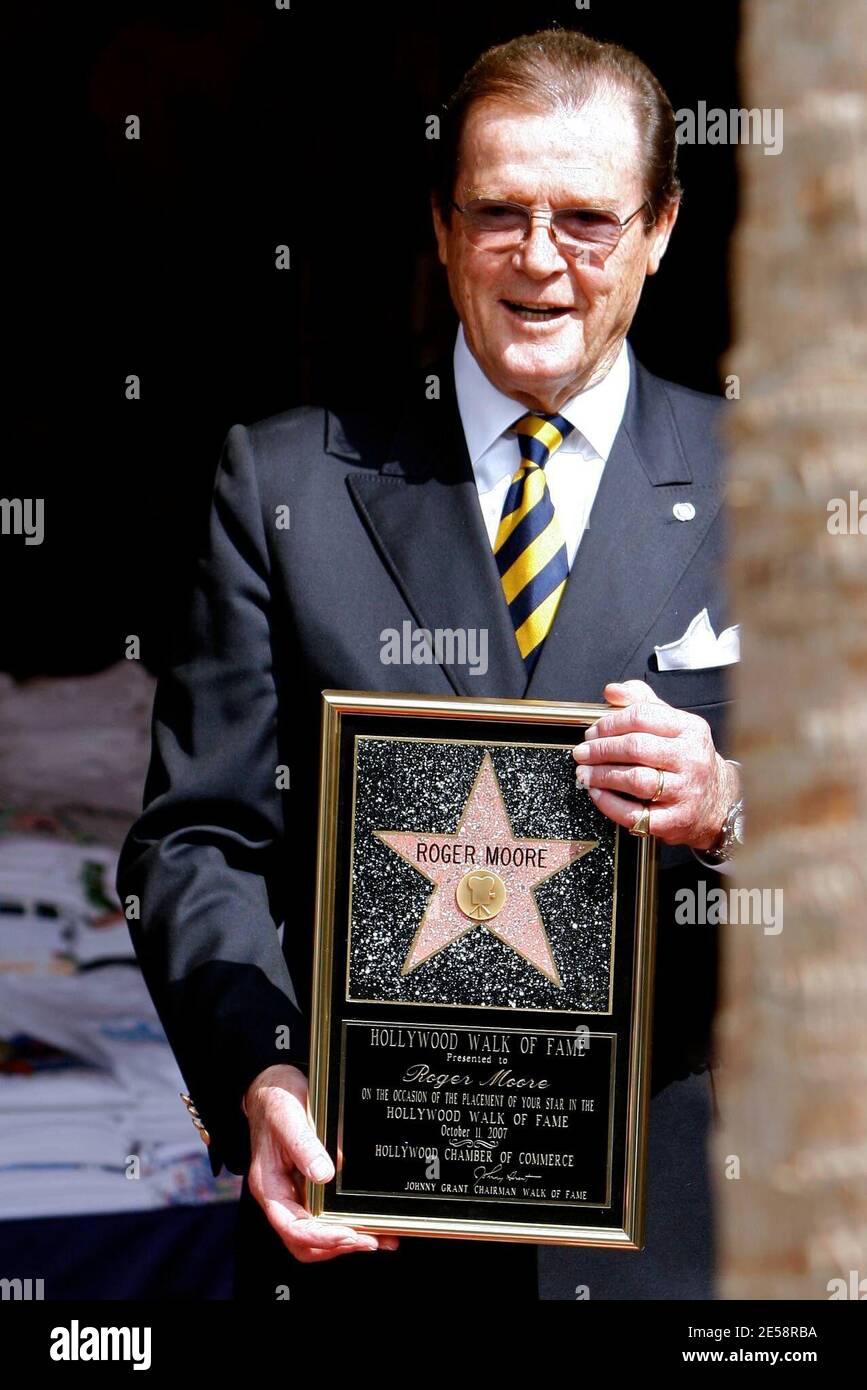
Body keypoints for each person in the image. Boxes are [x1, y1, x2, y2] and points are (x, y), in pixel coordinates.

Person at [117, 28, 739, 1301]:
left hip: (689, 1235)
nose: (540, 260)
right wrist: (260, 1070)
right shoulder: (285, 481)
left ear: (661, 227)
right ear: (444, 228)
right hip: (370, 1226)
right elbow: (197, 840)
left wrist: (735, 806)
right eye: (499, 213)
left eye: (586, 219)